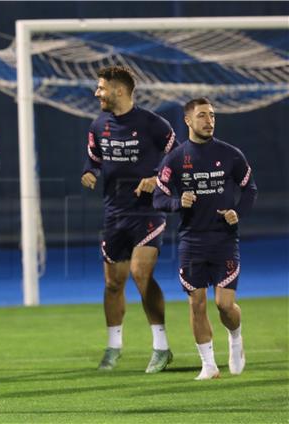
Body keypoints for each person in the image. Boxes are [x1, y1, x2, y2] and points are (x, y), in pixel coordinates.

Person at [81, 66, 176, 373]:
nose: (97, 93)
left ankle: (161, 347)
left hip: (148, 211)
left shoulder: (153, 124)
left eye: (101, 88)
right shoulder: (98, 125)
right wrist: (89, 171)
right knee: (112, 283)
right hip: (114, 212)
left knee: (140, 273)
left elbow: (179, 157)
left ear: (119, 90)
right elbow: (94, 158)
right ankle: (113, 347)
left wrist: (156, 178)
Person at [154, 97, 256, 380]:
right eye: (202, 115)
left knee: (224, 305)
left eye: (212, 115)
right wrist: (178, 202)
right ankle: (208, 365)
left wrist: (237, 211)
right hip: (191, 242)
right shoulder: (175, 159)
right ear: (188, 121)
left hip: (223, 239)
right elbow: (158, 197)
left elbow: (250, 189)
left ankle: (235, 338)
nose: (209, 120)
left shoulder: (231, 154)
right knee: (196, 303)